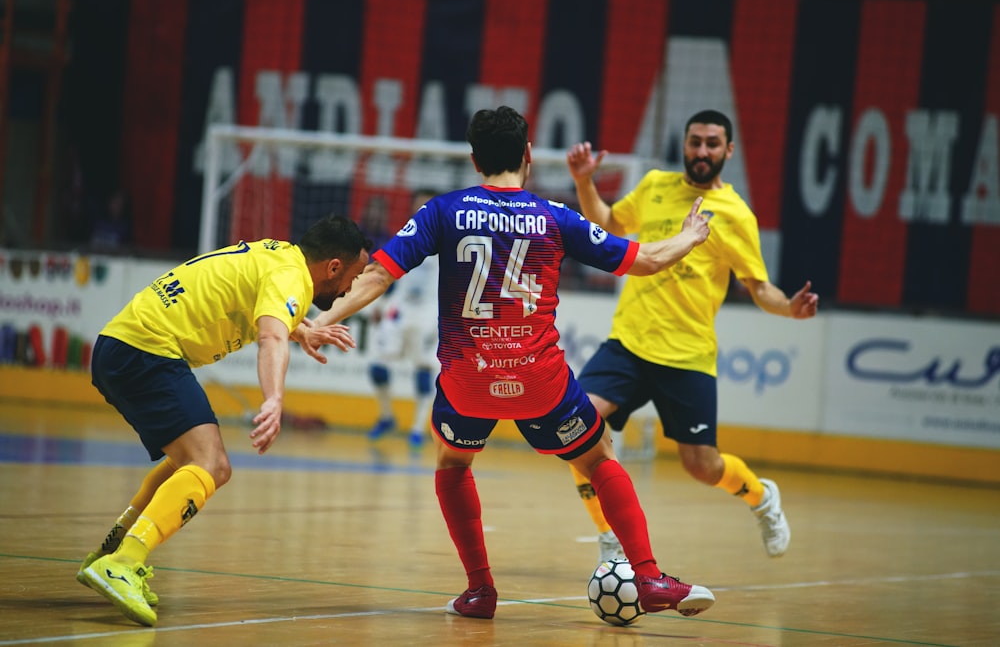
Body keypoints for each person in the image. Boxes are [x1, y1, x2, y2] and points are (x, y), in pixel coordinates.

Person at [301, 106, 715, 620]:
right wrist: (690, 236)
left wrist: (320, 319)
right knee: (599, 456)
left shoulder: (442, 211)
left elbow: (378, 277)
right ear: (527, 155)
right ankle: (649, 577)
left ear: (474, 160)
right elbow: (645, 260)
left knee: (453, 463)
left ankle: (480, 591)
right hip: (540, 381)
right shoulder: (554, 216)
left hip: (467, 381)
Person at [76, 215, 373, 626]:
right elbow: (269, 336)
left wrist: (299, 329)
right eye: (352, 278)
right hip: (147, 349)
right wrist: (274, 399)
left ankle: (111, 553)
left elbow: (265, 310)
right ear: (333, 267)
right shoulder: (293, 278)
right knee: (211, 464)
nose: (350, 289)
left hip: (124, 346)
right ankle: (124, 562)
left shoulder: (280, 256)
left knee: (190, 462)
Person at [564, 109, 819, 564]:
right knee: (578, 428)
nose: (702, 151)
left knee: (702, 466)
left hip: (688, 357)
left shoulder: (737, 215)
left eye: (712, 144)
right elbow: (607, 224)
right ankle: (611, 538)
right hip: (629, 342)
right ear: (684, 145)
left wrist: (788, 308)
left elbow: (758, 287)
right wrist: (585, 181)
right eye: (695, 142)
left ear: (728, 151)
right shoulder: (655, 186)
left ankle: (761, 496)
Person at [365, 189, 440, 448]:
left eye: (427, 206)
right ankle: (386, 417)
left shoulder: (450, 240)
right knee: (376, 365)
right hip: (401, 310)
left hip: (430, 312)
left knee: (423, 369)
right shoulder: (405, 237)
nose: (422, 211)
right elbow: (390, 273)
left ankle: (418, 429)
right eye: (418, 206)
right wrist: (382, 303)